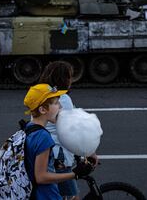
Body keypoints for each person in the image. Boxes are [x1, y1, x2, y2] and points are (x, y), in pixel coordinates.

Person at [23, 83, 94, 199]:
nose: (60, 107)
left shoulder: (29, 128)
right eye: (56, 103)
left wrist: (53, 162)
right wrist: (74, 174)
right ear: (42, 109)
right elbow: (41, 177)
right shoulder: (43, 137)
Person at [39, 61, 98, 200]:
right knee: (72, 197)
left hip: (41, 150)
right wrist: (90, 153)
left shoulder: (42, 95)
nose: (71, 80)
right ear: (64, 79)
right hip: (57, 155)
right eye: (70, 76)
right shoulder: (62, 99)